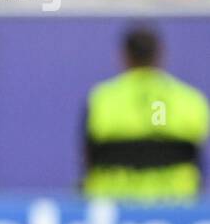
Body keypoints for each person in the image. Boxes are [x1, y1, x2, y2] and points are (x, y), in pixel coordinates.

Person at [84, 26, 209, 200]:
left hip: (115, 207)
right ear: (159, 55)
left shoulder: (101, 100)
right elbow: (198, 163)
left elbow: (88, 162)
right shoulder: (191, 101)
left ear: (124, 56)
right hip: (177, 206)